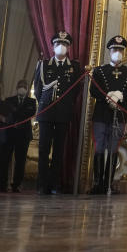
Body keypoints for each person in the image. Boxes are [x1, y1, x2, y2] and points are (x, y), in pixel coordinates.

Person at [34, 31, 83, 195]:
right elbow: (39, 89)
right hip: (46, 112)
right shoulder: (44, 65)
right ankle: (42, 184)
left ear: (68, 47)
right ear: (53, 46)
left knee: (59, 149)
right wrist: (44, 105)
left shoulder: (74, 67)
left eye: (64, 45)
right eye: (57, 44)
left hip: (63, 112)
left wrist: (66, 103)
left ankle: (55, 183)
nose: (61, 47)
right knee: (43, 148)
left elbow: (76, 90)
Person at [89, 35, 127, 195]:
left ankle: (108, 184)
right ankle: (98, 184)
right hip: (102, 115)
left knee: (114, 148)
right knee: (100, 148)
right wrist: (108, 96)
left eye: (120, 50)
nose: (118, 52)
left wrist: (121, 95)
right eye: (115, 49)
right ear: (109, 51)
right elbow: (93, 90)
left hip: (120, 116)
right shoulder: (99, 71)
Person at [0, 79, 36, 192]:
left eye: (24, 86)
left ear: (27, 89)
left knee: (21, 160)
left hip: (23, 135)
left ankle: (16, 185)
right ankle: (1, 185)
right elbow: (9, 113)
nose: (22, 88)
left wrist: (15, 111)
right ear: (16, 87)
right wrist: (17, 112)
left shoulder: (31, 102)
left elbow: (28, 114)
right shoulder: (9, 100)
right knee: (4, 159)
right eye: (20, 86)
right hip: (10, 134)